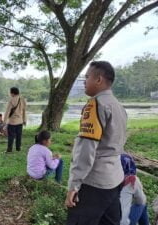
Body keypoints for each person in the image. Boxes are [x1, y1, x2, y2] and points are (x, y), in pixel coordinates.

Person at [65, 61, 127, 225]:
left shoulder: (95, 105)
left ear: (98, 80)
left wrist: (74, 185)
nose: (84, 81)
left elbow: (86, 150)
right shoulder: (119, 106)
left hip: (94, 182)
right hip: (115, 177)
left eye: (86, 77)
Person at [120, 154, 149, 225]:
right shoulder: (132, 180)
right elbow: (141, 201)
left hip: (99, 220)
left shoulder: (105, 177)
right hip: (121, 222)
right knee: (143, 204)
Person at [3, 87, 27, 153]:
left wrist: (4, 122)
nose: (10, 94)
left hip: (12, 122)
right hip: (20, 121)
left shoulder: (11, 100)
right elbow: (24, 111)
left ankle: (9, 150)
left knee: (11, 136)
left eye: (10, 92)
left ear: (12, 93)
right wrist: (25, 120)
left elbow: (7, 112)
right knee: (19, 136)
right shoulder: (23, 99)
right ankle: (18, 148)